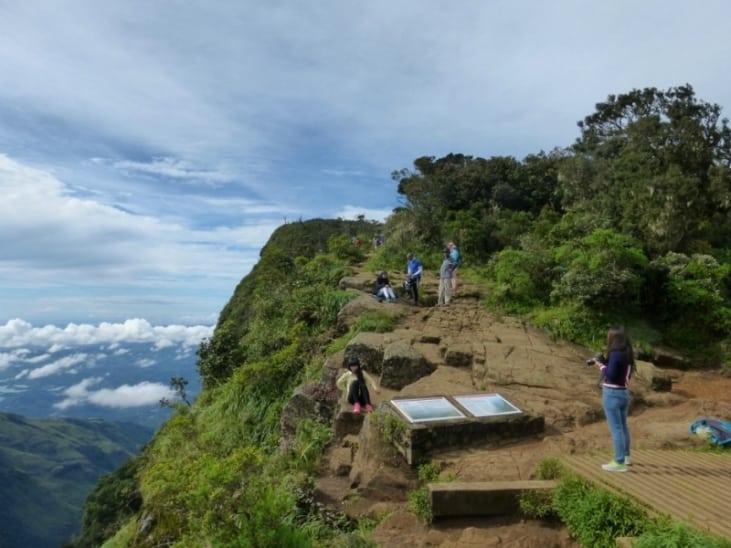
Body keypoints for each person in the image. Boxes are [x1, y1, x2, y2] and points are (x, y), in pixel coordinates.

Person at [595, 326, 634, 472]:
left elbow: (610, 375)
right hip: (624, 393)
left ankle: (619, 462)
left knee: (616, 429)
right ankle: (626, 457)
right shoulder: (627, 354)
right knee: (623, 426)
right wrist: (605, 362)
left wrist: (600, 366)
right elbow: (618, 372)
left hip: (612, 394)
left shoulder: (616, 354)